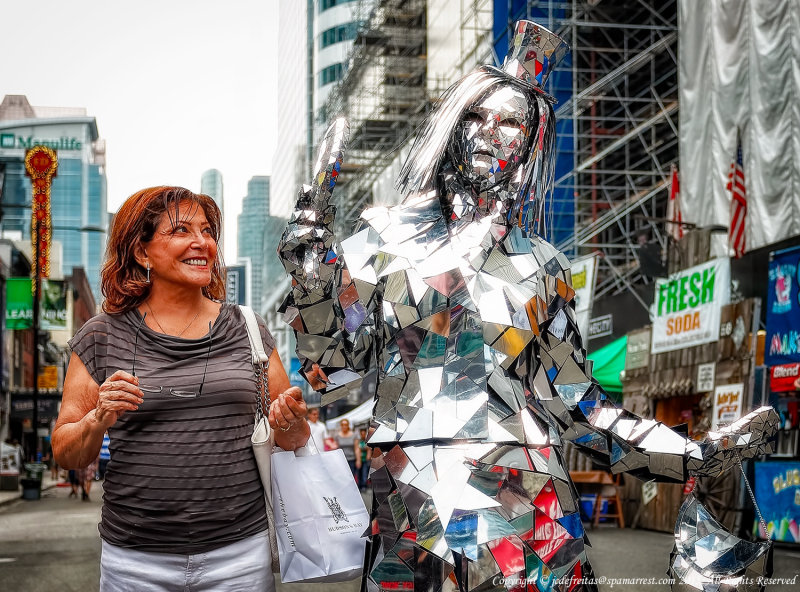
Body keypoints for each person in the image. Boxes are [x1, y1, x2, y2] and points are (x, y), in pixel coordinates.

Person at [278, 21, 778, 592]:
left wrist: (693, 454)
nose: (490, 134)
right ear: (451, 123)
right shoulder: (382, 237)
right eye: (475, 116)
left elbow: (582, 410)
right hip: (411, 507)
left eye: (511, 121)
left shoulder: (543, 265)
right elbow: (335, 366)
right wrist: (310, 259)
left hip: (527, 499)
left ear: (532, 141)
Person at [52, 186, 309, 592]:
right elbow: (66, 452)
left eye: (207, 231)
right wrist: (97, 418)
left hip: (239, 558)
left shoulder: (248, 328)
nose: (202, 242)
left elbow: (292, 438)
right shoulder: (101, 334)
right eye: (181, 230)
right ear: (141, 251)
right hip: (135, 563)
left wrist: (292, 422)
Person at [354, 427, 370, 491]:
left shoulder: (367, 441)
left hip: (365, 460)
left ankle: (364, 485)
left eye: (364, 433)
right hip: (359, 460)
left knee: (364, 473)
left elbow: (369, 449)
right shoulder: (358, 441)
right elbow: (356, 449)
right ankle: (359, 485)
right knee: (359, 473)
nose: (363, 435)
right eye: (362, 433)